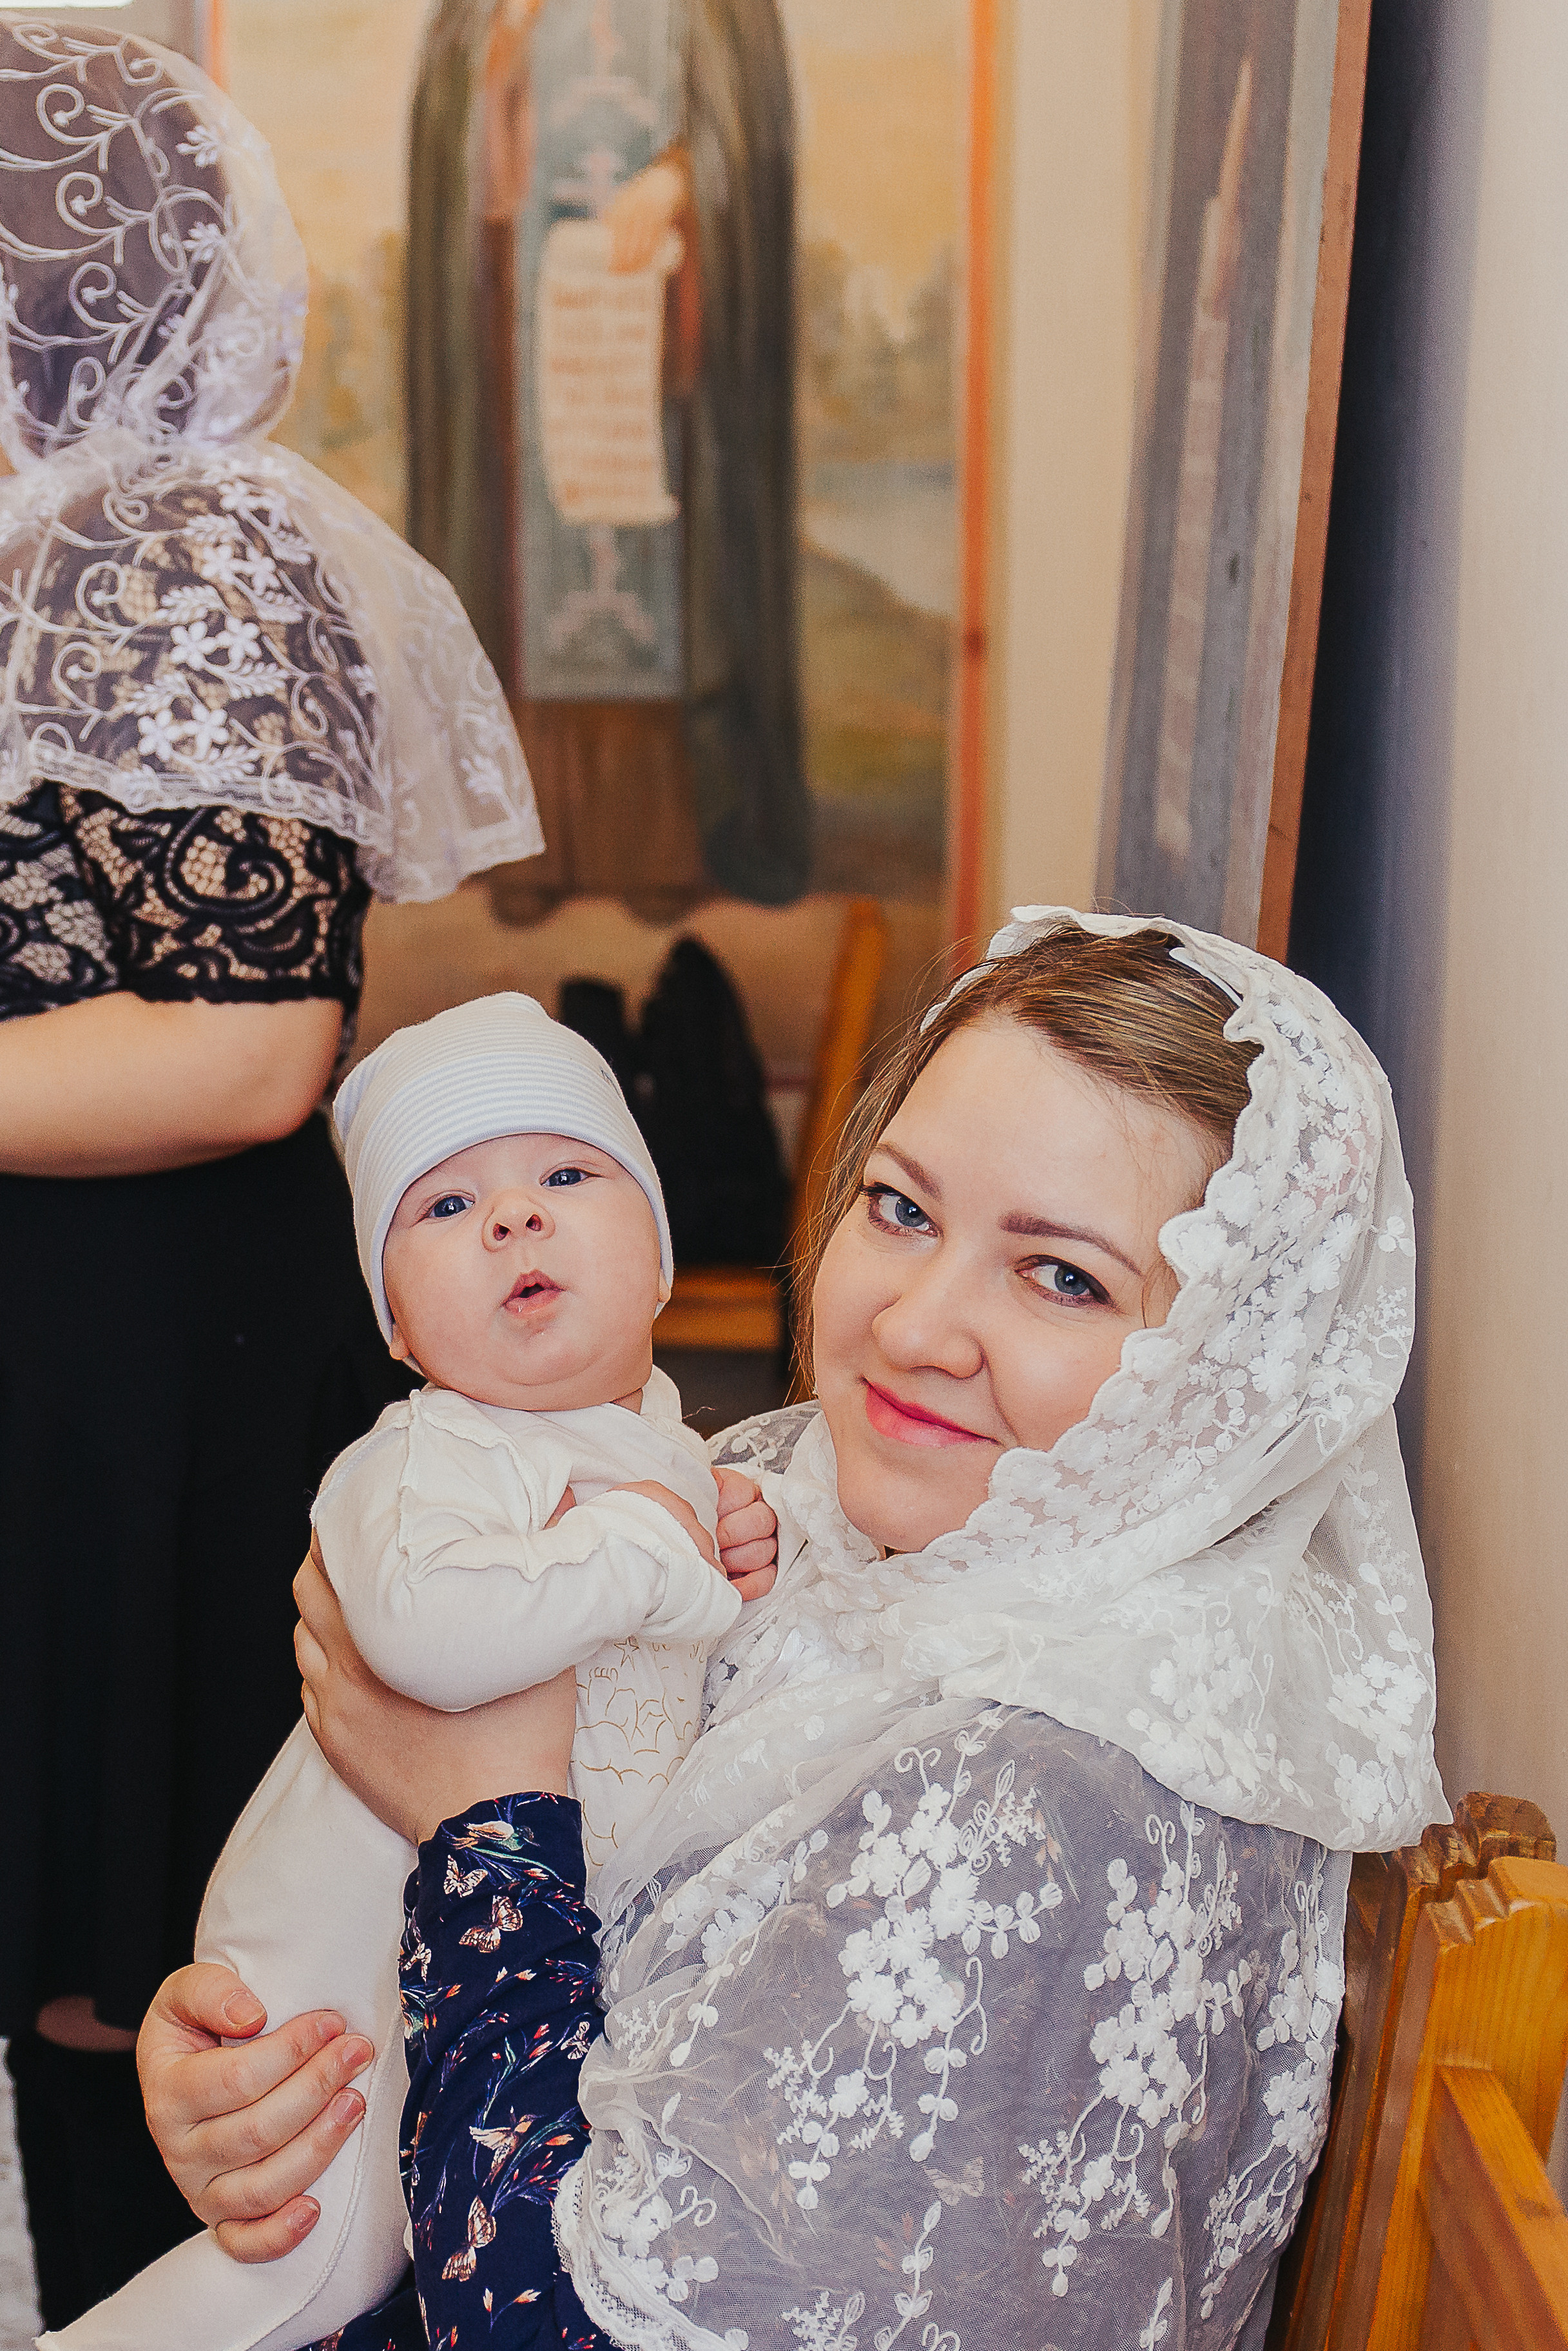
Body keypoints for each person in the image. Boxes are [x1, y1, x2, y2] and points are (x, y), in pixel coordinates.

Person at [133, 911, 1446, 2350]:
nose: (913, 1326)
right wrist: (287, 2074)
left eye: (1060, 1275)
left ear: (1224, 1377)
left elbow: (541, 2329)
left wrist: (483, 1829)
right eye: (899, 1208)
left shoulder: (1039, 1801)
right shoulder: (814, 1502)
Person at [0, 23, 541, 2328]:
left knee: (154, 1975)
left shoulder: (179, 538)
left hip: (140, 1363)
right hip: (67, 1323)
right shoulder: (62, 521)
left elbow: (249, 1032)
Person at [62, 992, 754, 2350]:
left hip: (480, 1930)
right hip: (337, 1940)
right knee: (309, 2260)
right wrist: (657, 1558)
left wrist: (743, 1531)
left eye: (566, 1174)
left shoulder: (674, 1451)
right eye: (443, 1208)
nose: (512, 1218)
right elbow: (426, 1639)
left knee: (403, 2253)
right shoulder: (417, 1461)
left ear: (663, 1260)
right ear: (394, 1327)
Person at [407, 0, 809, 920]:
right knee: (526, 573)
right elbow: (458, 130)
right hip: (523, 312)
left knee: (654, 577)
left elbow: (744, 134)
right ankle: (531, 858)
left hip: (658, 320)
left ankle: (662, 848)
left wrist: (678, 181)